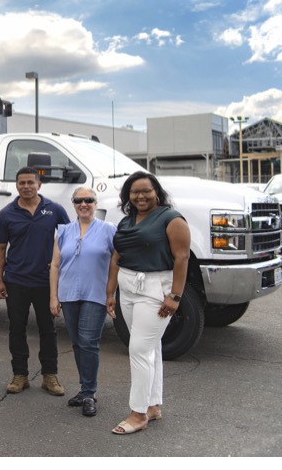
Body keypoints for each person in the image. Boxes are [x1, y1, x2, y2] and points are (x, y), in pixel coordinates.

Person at [106, 171, 190, 435]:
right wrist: (110, 292)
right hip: (128, 287)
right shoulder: (127, 221)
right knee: (150, 349)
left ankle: (137, 413)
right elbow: (117, 257)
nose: (140, 196)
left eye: (146, 191)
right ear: (128, 196)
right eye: (134, 192)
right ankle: (152, 406)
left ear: (157, 192)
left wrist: (175, 296)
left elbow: (182, 258)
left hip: (155, 288)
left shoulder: (171, 219)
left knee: (139, 349)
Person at [0, 166, 70, 395]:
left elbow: (69, 238)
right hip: (16, 281)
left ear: (39, 185)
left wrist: (60, 267)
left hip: (46, 282)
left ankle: (50, 376)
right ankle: (20, 376)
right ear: (16, 186)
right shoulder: (6, 214)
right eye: (21, 183)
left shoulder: (54, 210)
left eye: (30, 183)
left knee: (48, 330)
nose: (26, 187)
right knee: (17, 329)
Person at [49, 187, 116, 417]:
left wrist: (111, 293)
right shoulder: (64, 231)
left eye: (89, 200)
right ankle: (84, 388)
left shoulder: (109, 230)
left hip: (95, 294)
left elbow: (116, 264)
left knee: (88, 342)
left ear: (96, 203)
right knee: (78, 343)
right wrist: (53, 296)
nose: (84, 203)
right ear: (73, 203)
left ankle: (89, 393)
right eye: (79, 200)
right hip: (69, 294)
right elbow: (55, 265)